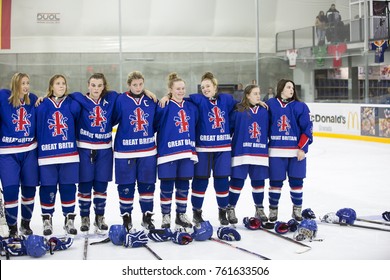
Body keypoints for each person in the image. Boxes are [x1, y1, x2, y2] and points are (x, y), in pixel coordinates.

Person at [69, 73, 118, 233]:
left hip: (104, 149)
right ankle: (84, 217)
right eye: (93, 85)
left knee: (100, 185)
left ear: (104, 86)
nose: (96, 88)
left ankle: (99, 216)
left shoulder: (110, 99)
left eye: (99, 85)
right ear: (88, 85)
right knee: (84, 185)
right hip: (84, 148)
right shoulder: (79, 99)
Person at [187, 72, 237, 226]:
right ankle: (197, 213)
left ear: (215, 87)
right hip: (203, 148)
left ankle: (222, 212)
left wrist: (258, 103)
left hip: (223, 148)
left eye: (208, 86)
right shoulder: (197, 99)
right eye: (202, 87)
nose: (205, 89)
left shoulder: (226, 100)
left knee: (222, 181)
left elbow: (241, 106)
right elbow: (179, 98)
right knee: (200, 182)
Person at [36, 74, 81, 236]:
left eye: (63, 83)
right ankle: (47, 219)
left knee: (68, 187)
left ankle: (69, 219)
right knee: (48, 187)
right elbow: (37, 128)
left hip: (69, 154)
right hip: (47, 155)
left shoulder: (72, 104)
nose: (61, 86)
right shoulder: (41, 105)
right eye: (58, 83)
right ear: (51, 86)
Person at [112, 71, 157, 231]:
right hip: (125, 152)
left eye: (140, 84)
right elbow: (112, 119)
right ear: (129, 85)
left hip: (147, 151)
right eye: (134, 85)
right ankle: (126, 216)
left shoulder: (151, 100)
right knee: (126, 185)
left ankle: (147, 216)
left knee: (147, 185)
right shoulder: (121, 100)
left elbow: (156, 122)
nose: (138, 88)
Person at [154, 72, 198, 231]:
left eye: (183, 88)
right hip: (167, 153)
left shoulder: (191, 106)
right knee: (166, 185)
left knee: (183, 185)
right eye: (178, 88)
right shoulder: (163, 106)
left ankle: (181, 214)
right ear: (170, 90)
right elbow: (155, 125)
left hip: (186, 151)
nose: (181, 91)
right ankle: (166, 215)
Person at [266, 79, 313, 222]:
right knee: (275, 183)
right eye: (288, 87)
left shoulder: (300, 106)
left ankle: (297, 210)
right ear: (281, 89)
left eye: (293, 87)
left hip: (295, 152)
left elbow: (307, 129)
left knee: (297, 182)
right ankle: (273, 210)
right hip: (275, 151)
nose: (291, 90)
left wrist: (302, 148)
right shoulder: (270, 104)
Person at [0, 73, 39, 237]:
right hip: (8, 153)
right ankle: (12, 227)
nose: (26, 86)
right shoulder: (3, 97)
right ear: (15, 84)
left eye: (28, 83)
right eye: (22, 83)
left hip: (29, 151)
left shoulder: (33, 99)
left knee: (29, 189)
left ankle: (26, 223)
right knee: (10, 191)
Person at [226, 84, 269, 224]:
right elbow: (229, 130)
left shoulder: (264, 111)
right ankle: (230, 208)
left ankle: (259, 208)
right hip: (241, 153)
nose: (258, 96)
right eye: (255, 93)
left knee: (258, 182)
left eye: (259, 93)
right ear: (247, 95)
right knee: (236, 182)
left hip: (259, 152)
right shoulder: (238, 111)